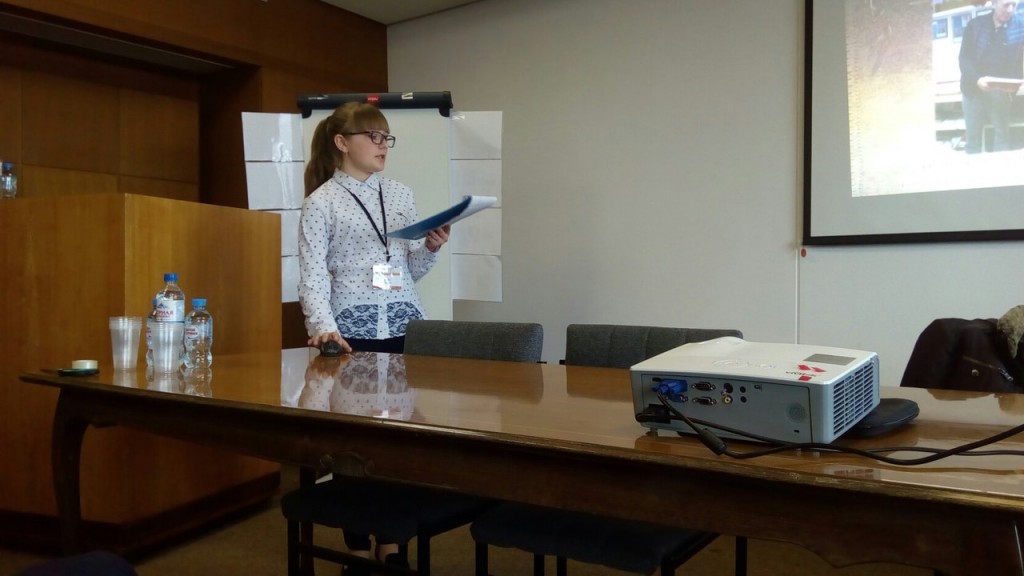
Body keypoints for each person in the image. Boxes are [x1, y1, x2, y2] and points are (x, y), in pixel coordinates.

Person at [297, 101, 449, 570]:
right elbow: (312, 277)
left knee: (399, 441)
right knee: (356, 446)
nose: (384, 146)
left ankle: (392, 544)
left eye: (387, 138)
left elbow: (408, 270)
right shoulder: (321, 202)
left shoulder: (400, 194)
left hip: (404, 327)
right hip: (351, 333)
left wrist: (430, 247)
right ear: (342, 143)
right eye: (374, 137)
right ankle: (358, 550)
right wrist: (323, 328)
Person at [959, 0, 1024, 153]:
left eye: (1014, 5)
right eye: (1006, 5)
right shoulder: (975, 25)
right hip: (973, 89)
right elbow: (964, 58)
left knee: (1002, 138)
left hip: (1001, 90)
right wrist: (977, 80)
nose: (1010, 10)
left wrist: (1014, 84)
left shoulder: (1021, 26)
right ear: (994, 4)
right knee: (973, 141)